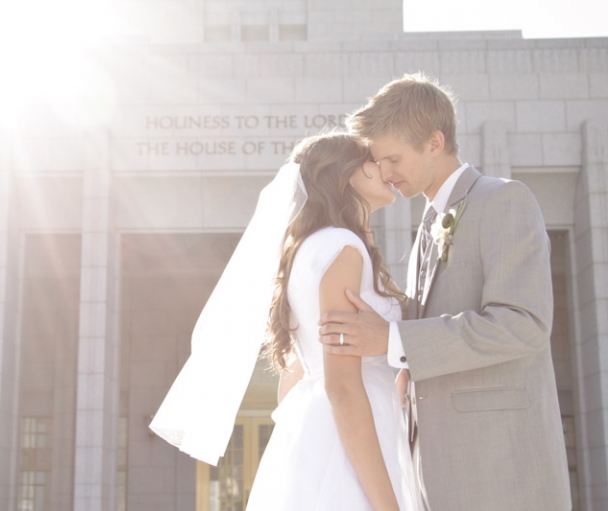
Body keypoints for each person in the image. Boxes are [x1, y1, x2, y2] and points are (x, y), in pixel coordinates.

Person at [319, 73, 571, 510]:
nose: (385, 172)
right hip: (434, 473)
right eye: (379, 162)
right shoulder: (425, 229)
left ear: (434, 143)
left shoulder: (504, 200)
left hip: (500, 473)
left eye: (393, 158)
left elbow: (524, 324)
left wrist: (394, 340)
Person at [150, 131, 417, 510]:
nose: (384, 167)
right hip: (352, 434)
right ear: (344, 174)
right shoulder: (343, 248)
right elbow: (342, 385)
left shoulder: (307, 250)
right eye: (371, 160)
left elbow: (293, 377)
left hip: (315, 428)